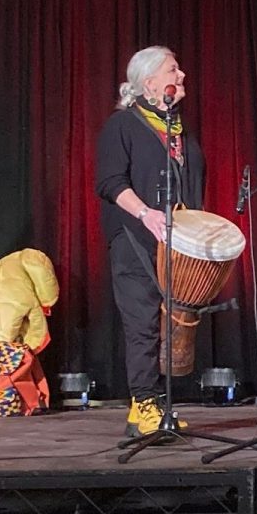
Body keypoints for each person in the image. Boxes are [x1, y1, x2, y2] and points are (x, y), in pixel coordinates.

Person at [95, 46, 203, 437]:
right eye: (174, 69)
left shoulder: (177, 128)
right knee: (141, 322)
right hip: (134, 238)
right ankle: (143, 405)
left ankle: (158, 406)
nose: (182, 75)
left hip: (173, 241)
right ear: (150, 82)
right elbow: (109, 183)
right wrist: (145, 213)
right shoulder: (122, 125)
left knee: (168, 326)